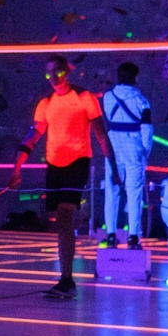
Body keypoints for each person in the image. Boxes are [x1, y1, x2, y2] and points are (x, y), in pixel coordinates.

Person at [10, 55, 115, 299]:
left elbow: (101, 136)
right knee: (59, 220)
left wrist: (115, 169)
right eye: (48, 73)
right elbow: (32, 137)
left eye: (57, 71)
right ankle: (65, 278)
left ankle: (67, 280)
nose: (53, 77)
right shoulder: (45, 103)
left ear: (67, 72)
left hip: (77, 161)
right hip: (53, 163)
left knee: (66, 215)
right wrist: (17, 168)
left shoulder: (84, 98)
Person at [101, 62, 153, 250]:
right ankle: (133, 236)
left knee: (111, 191)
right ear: (135, 77)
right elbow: (146, 129)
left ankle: (111, 235)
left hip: (113, 145)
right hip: (133, 146)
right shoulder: (142, 101)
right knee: (134, 192)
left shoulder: (107, 97)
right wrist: (145, 153)